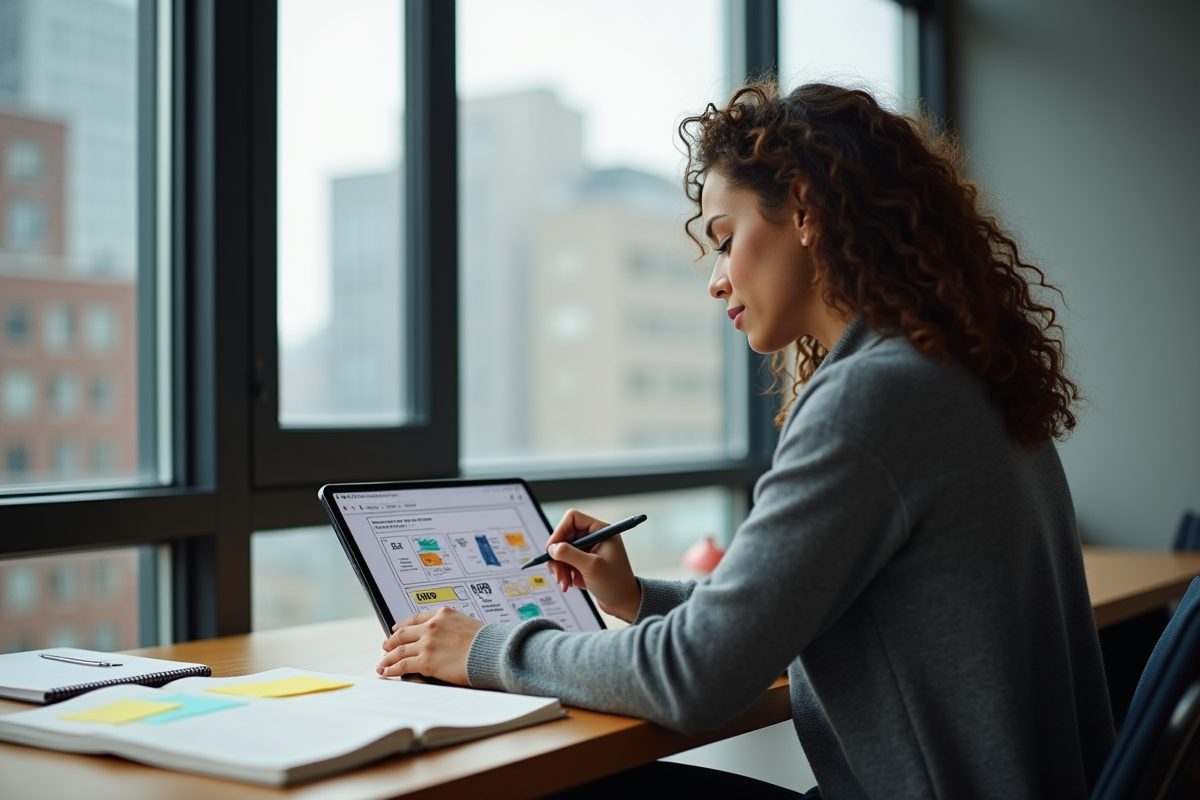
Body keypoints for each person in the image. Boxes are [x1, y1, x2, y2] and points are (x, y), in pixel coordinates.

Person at [376, 82, 1115, 799]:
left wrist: (479, 649)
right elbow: (790, 615)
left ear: (802, 208)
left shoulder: (873, 398)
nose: (716, 281)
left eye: (726, 240)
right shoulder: (953, 372)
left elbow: (692, 680)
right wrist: (635, 597)